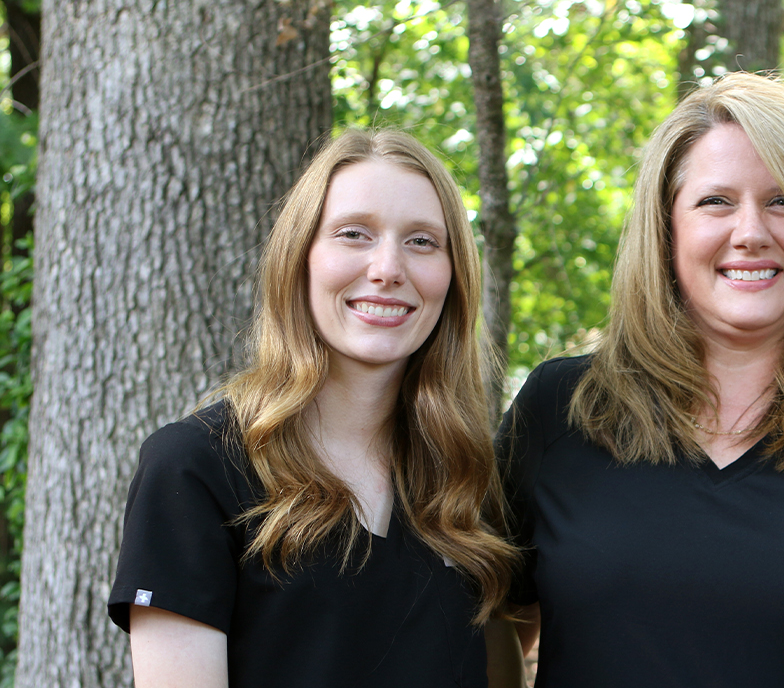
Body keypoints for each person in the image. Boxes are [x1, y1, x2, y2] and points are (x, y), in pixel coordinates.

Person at [499, 72, 784, 686]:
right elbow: (492, 623)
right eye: (716, 201)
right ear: (667, 229)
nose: (750, 232)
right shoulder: (560, 410)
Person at [108, 130, 522, 688]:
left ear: (454, 278)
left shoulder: (465, 480)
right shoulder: (197, 467)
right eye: (354, 234)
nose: (387, 268)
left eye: (422, 241)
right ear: (299, 258)